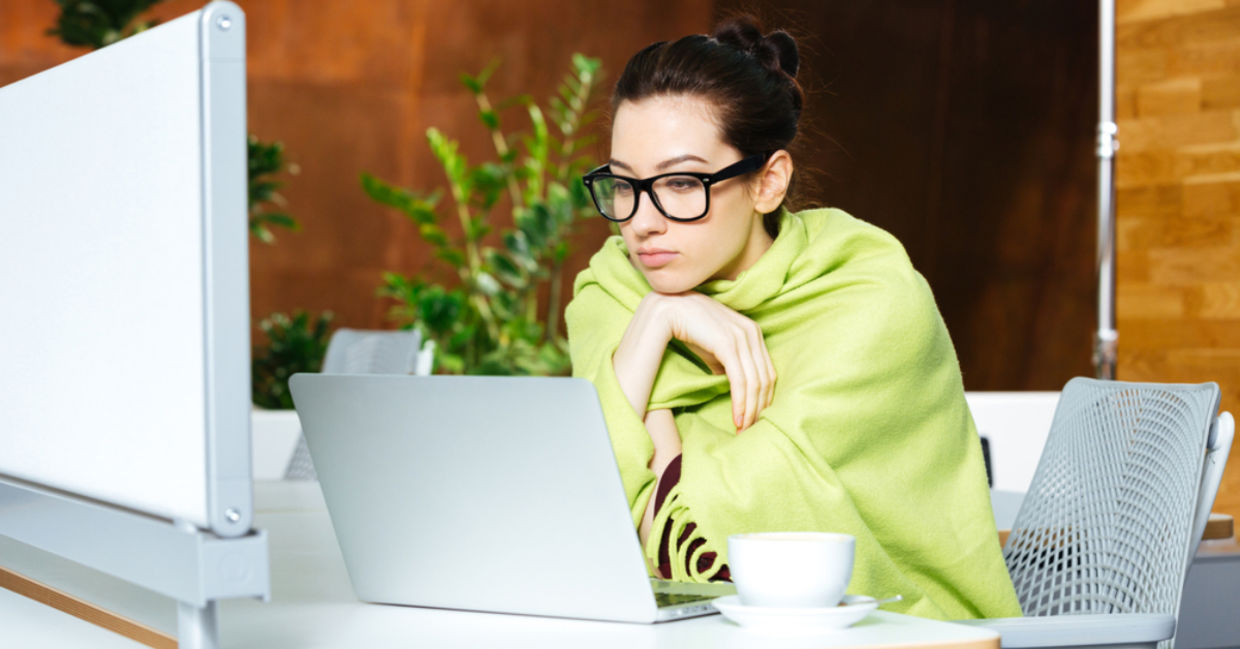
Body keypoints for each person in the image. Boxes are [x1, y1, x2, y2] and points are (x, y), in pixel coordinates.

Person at [564, 16, 1021, 620]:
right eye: (624, 185)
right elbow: (572, 518)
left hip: (900, 631)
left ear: (767, 183)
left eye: (681, 183)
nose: (643, 222)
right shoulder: (615, 293)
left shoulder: (868, 297)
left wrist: (647, 416)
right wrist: (655, 322)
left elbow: (727, 547)